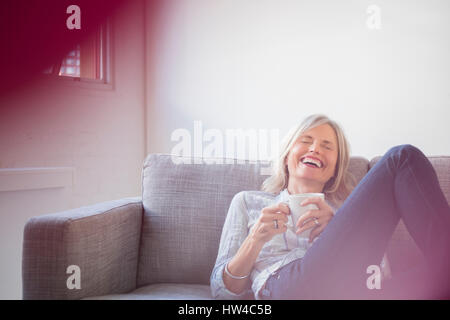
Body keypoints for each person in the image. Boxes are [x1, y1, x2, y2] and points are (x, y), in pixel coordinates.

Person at [210, 114, 450, 299]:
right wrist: (254, 240)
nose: (315, 148)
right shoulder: (249, 202)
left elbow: (379, 273)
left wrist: (335, 224)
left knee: (440, 276)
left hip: (358, 289)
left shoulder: (346, 211)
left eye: (327, 146)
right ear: (286, 156)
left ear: (335, 168)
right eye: (306, 141)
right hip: (293, 287)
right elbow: (222, 292)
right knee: (402, 157)